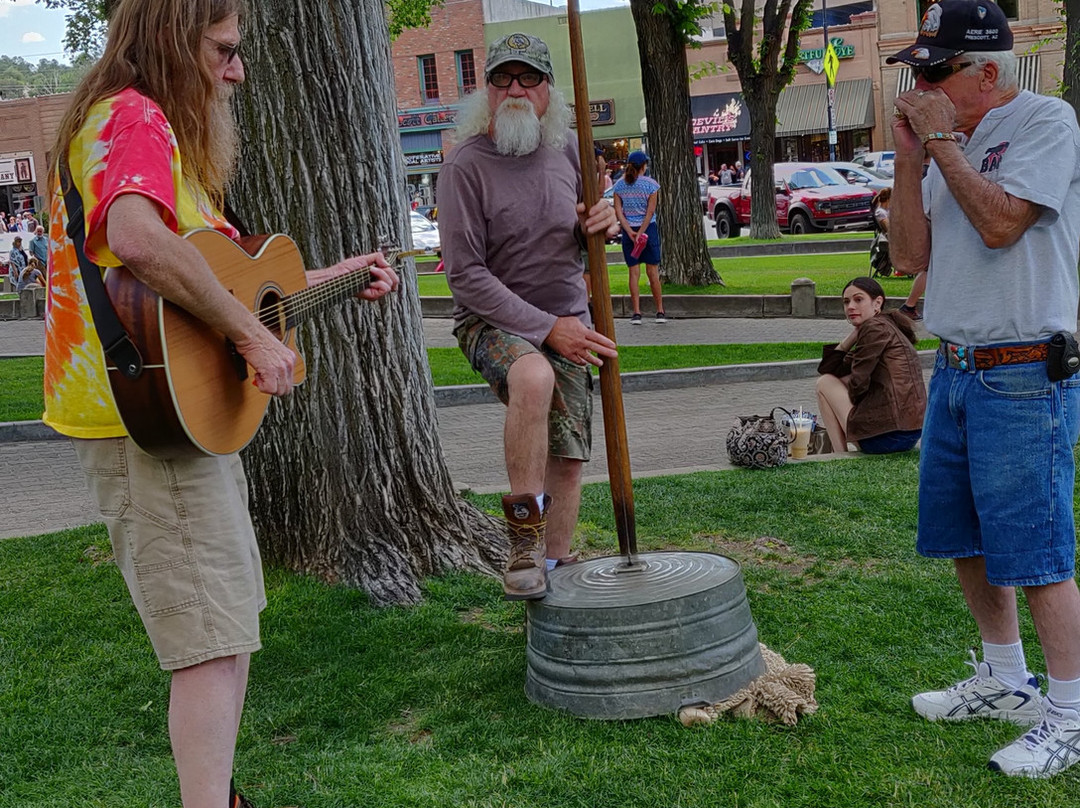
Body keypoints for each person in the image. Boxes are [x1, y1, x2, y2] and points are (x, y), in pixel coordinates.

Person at [42, 1, 399, 805]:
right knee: (206, 643)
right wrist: (253, 339)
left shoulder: (157, 134)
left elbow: (225, 288)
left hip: (178, 424)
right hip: (148, 429)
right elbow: (137, 238)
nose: (238, 70)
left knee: (224, 629)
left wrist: (336, 278)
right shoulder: (133, 119)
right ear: (176, 38)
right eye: (225, 50)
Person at [889, 0, 1080, 778]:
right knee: (964, 539)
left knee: (1035, 552)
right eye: (916, 72)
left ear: (989, 72)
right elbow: (907, 257)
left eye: (935, 72)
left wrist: (941, 143)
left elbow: (1004, 224)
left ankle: (1070, 713)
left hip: (1026, 371)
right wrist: (912, 158)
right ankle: (1005, 680)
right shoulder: (944, 145)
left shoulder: (1047, 122)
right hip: (960, 368)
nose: (920, 85)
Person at [440, 31, 618, 600]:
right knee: (533, 375)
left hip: (568, 319)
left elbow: (577, 232)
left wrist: (599, 227)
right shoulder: (465, 166)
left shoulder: (568, 150)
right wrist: (546, 330)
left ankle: (553, 578)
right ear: (486, 90)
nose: (515, 89)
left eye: (528, 78)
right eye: (502, 78)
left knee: (567, 457)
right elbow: (465, 276)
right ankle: (522, 539)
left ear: (548, 90)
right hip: (491, 322)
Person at [814, 276, 926, 454]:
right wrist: (853, 336)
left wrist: (854, 402)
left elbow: (858, 384)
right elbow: (831, 367)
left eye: (858, 300)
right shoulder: (884, 325)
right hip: (908, 432)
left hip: (887, 436)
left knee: (824, 383)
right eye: (846, 302)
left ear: (877, 302)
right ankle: (838, 452)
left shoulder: (874, 328)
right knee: (833, 379)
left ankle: (839, 454)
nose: (850, 306)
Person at [612, 150, 665, 324]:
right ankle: (660, 311)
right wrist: (642, 232)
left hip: (629, 232)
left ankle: (636, 312)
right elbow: (650, 212)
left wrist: (629, 231)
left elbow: (618, 212)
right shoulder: (651, 185)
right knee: (652, 271)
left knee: (634, 272)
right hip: (648, 230)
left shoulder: (619, 185)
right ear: (644, 166)